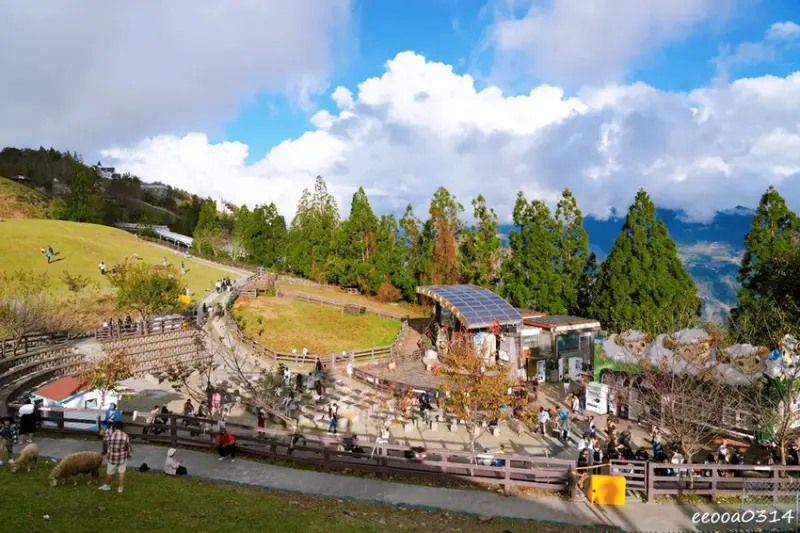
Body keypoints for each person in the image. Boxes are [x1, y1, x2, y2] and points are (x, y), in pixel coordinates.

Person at [100, 421, 132, 493]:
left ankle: (107, 486)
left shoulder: (110, 435)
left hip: (112, 457)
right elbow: (128, 447)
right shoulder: (125, 436)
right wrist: (129, 455)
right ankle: (120, 488)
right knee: (122, 472)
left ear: (114, 427)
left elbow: (104, 439)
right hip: (122, 457)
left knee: (110, 472)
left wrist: (108, 430)